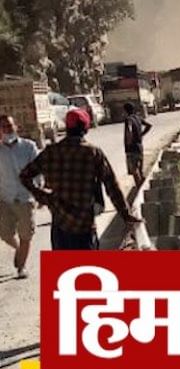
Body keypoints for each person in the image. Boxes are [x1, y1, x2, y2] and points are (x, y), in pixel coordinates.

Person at [20, 107, 140, 251]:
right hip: (84, 226)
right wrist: (126, 215)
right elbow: (111, 186)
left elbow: (25, 176)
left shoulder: (51, 152)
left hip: (60, 226)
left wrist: (44, 197)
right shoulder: (93, 153)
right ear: (85, 128)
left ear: (67, 127)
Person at [0, 115, 41, 278]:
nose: (7, 129)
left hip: (25, 199)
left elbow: (38, 171)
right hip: (5, 199)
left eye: (9, 126)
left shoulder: (28, 147)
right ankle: (19, 250)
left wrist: (37, 192)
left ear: (15, 126)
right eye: (3, 127)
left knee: (26, 234)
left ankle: (21, 266)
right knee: (5, 233)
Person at [123, 102, 152, 188]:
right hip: (139, 146)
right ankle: (143, 184)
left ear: (125, 111)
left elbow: (129, 129)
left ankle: (139, 186)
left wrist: (129, 140)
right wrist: (141, 134)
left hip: (131, 148)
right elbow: (149, 126)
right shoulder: (138, 118)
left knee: (134, 169)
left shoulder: (128, 119)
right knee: (140, 169)